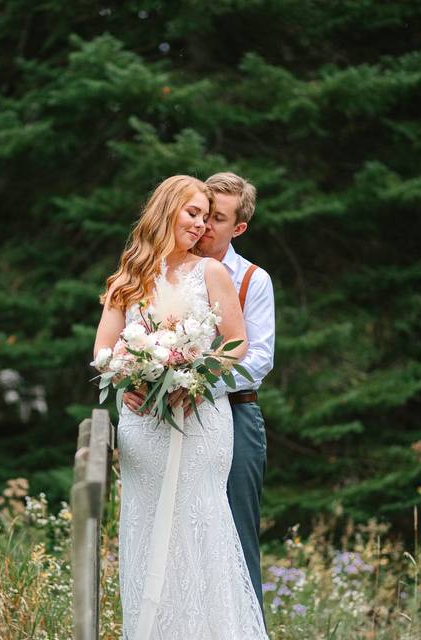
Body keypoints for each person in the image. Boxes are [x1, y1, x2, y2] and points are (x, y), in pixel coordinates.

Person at [94, 175, 268, 639]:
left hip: (201, 422)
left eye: (207, 217)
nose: (199, 225)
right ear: (165, 209)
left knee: (200, 526)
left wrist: (196, 378)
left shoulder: (212, 273)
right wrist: (128, 378)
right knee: (148, 529)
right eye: (192, 213)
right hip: (142, 426)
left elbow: (236, 344)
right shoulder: (127, 277)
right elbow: (103, 352)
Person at [199, 171, 275, 629]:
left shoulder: (252, 280)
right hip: (175, 420)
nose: (206, 225)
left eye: (218, 218)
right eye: (203, 213)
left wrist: (196, 385)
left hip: (236, 410)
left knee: (237, 532)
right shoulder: (171, 269)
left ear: (238, 228)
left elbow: (260, 358)